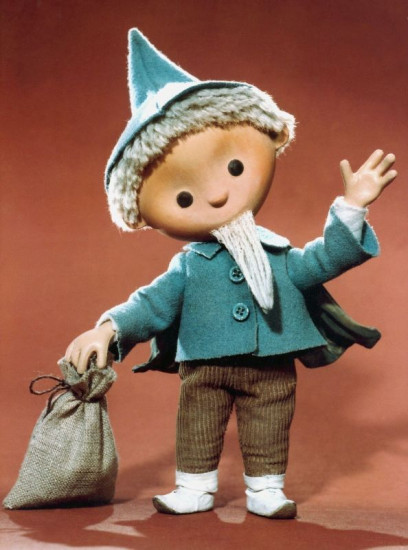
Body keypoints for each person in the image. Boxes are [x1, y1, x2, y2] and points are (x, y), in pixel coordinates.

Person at [65, 29, 397, 518]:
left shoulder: (278, 255)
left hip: (272, 361)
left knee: (270, 422)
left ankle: (266, 487)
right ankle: (194, 486)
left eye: (234, 168)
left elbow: (325, 259)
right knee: (197, 423)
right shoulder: (189, 266)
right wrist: (109, 328)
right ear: (144, 216)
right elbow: (152, 303)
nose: (218, 195)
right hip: (204, 364)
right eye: (183, 197)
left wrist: (351, 208)